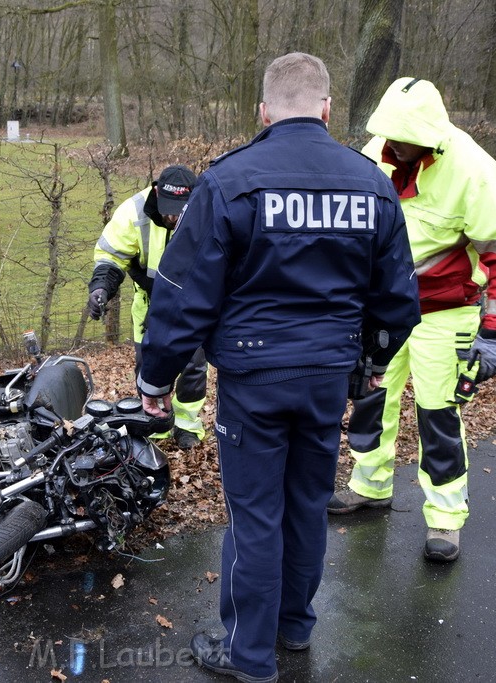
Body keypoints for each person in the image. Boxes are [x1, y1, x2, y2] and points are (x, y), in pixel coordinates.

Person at [136, 53, 421, 683]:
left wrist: (155, 378)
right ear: (326, 108)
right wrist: (372, 363)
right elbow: (399, 298)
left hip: (255, 378)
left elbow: (184, 295)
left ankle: (249, 653)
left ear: (263, 112)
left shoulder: (230, 181)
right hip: (326, 376)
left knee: (257, 512)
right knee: (307, 501)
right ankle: (293, 625)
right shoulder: (371, 184)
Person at [328, 77, 496, 563]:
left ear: (429, 137)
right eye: (389, 137)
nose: (393, 147)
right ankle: (370, 485)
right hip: (382, 309)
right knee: (372, 396)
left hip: (445, 310)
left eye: (404, 140)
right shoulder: (376, 152)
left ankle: (444, 516)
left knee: (439, 413)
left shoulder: (474, 172)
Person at [87, 164, 208, 450]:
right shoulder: (133, 212)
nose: (172, 217)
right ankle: (156, 422)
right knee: (148, 365)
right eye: (168, 209)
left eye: (180, 210)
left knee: (193, 367)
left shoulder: (208, 209)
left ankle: (186, 424)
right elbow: (110, 256)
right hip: (149, 303)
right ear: (156, 192)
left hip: (194, 305)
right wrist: (101, 289)